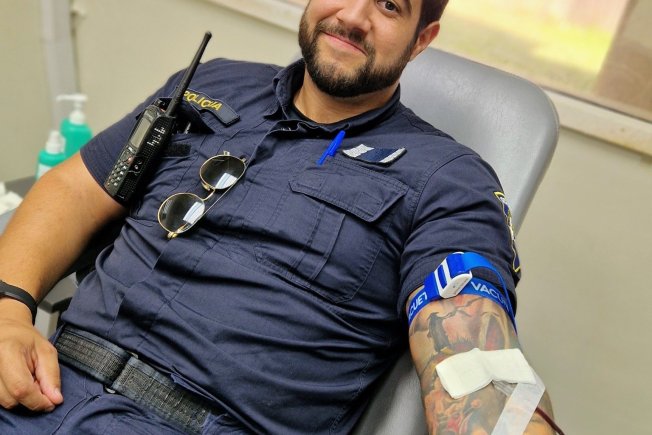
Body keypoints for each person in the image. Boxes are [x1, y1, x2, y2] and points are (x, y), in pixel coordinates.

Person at [0, 0, 557, 433]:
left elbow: (474, 354)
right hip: (41, 382)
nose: (353, 16)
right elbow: (75, 190)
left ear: (422, 39)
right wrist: (8, 314)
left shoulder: (447, 178)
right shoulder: (212, 83)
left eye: (390, 5)